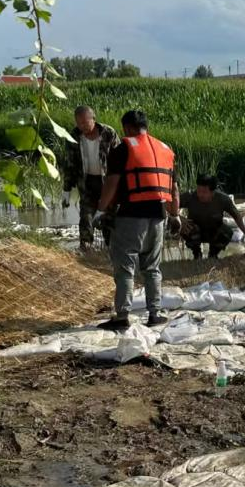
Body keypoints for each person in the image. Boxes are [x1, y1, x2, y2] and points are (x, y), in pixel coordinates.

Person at [96, 110, 179, 330]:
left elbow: (111, 183)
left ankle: (122, 316)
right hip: (158, 218)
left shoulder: (123, 149)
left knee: (125, 267)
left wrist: (100, 210)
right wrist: (175, 215)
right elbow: (174, 188)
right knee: (152, 267)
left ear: (127, 128)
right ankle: (155, 314)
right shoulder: (166, 149)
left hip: (131, 217)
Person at [61, 105, 118, 251]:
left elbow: (119, 162)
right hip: (86, 183)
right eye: (79, 123)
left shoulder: (108, 133)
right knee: (86, 217)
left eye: (85, 123)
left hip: (107, 183)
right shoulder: (73, 137)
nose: (82, 127)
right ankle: (85, 250)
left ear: (93, 119)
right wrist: (66, 190)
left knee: (109, 218)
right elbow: (70, 165)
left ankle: (111, 251)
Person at [182, 175, 245, 260]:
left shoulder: (223, 199)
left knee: (227, 232)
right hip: (195, 231)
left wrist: (244, 230)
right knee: (187, 227)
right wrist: (181, 219)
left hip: (214, 231)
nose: (200, 194)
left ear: (213, 192)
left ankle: (213, 254)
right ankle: (197, 254)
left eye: (204, 192)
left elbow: (236, 215)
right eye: (198, 190)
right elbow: (170, 204)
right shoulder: (189, 196)